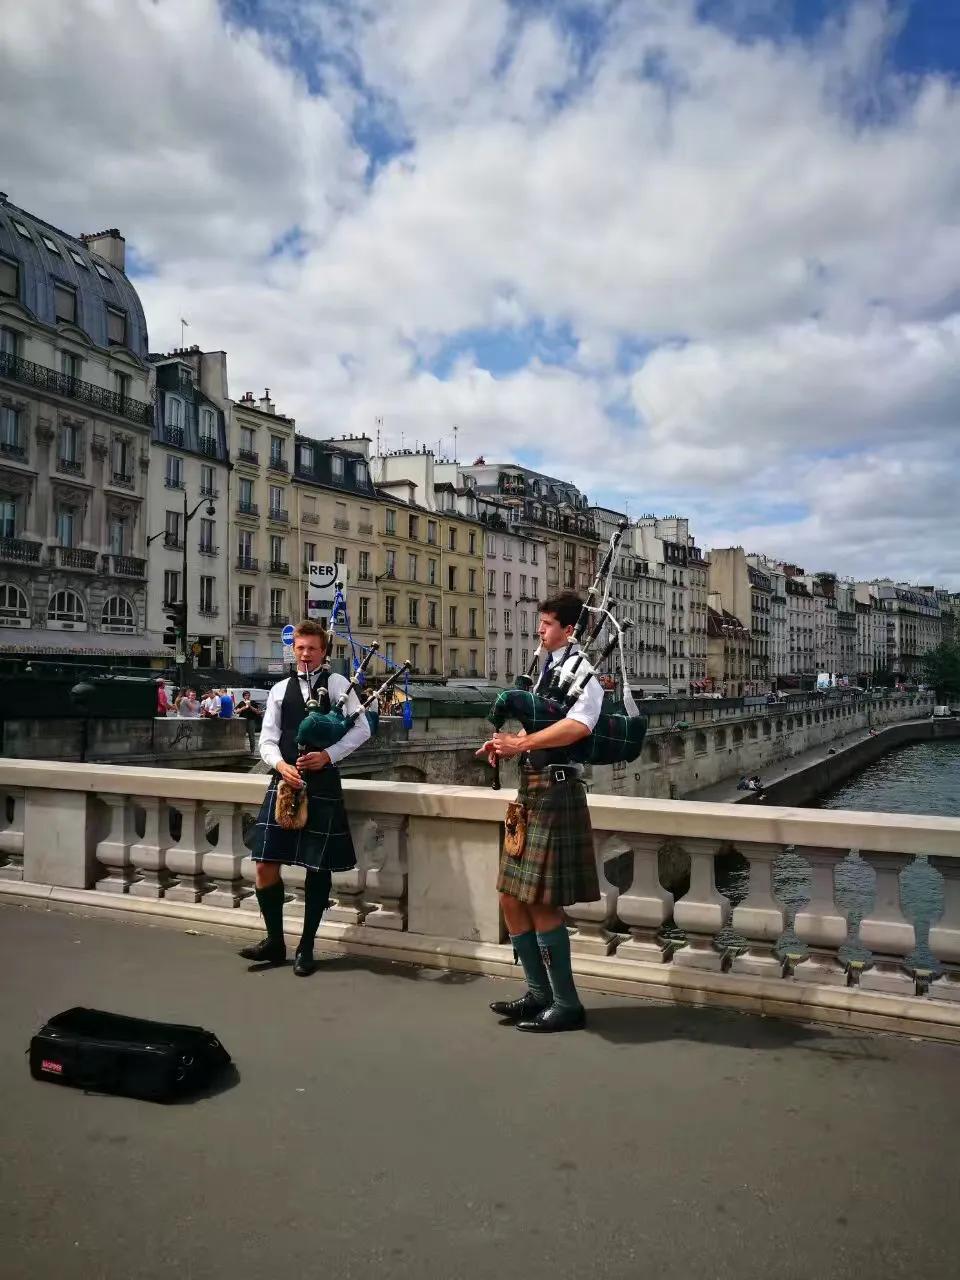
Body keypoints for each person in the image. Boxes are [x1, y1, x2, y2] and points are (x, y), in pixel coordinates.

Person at [475, 590, 602, 1034]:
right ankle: (538, 993)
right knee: (511, 896)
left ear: (568, 629)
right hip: (530, 790)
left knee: (543, 903)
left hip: (557, 792)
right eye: (540, 623)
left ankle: (567, 1003)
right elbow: (538, 725)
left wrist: (522, 743)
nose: (539, 630)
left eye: (547, 624)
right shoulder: (546, 672)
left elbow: (578, 727)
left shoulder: (583, 672)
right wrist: (502, 746)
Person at [241, 620, 371, 976]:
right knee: (265, 862)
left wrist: (328, 755)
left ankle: (307, 946)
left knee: (318, 867)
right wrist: (280, 764)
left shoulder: (339, 685)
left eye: (312, 648)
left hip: (323, 783)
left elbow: (362, 729)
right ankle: (274, 941)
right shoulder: (280, 689)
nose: (305, 655)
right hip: (285, 781)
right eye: (300, 648)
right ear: (293, 649)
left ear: (324, 651)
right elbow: (266, 739)